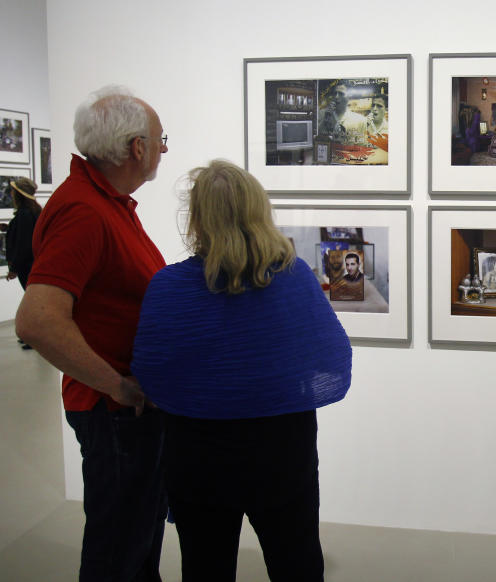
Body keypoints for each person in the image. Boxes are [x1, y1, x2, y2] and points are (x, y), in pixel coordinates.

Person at [132, 160, 352, 581]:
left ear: (197, 218)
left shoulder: (168, 285)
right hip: (282, 449)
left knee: (205, 565)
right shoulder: (294, 277)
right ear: (259, 211)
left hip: (197, 454)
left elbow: (151, 373)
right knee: (297, 561)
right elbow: (331, 361)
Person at [15, 85, 169, 581]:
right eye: (161, 141)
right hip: (114, 414)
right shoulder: (83, 211)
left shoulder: (108, 202)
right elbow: (37, 319)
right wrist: (116, 385)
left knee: (138, 540)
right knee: (117, 550)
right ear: (137, 149)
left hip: (127, 412)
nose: (163, 150)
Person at [2, 177, 42, 349]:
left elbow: (23, 244)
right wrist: (8, 227)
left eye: (13, 191)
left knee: (32, 303)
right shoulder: (31, 211)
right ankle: (34, 338)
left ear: (19, 193)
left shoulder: (25, 214)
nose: (11, 194)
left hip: (27, 266)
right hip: (31, 264)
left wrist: (14, 268)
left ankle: (35, 338)